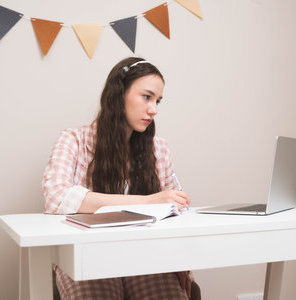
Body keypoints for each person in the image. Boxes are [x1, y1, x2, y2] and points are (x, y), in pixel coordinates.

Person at [42, 57, 193, 300]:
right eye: (147, 97)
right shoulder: (74, 141)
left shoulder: (159, 149)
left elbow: (175, 211)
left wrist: (181, 259)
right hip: (86, 256)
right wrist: (147, 201)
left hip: (147, 257)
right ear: (119, 94)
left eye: (157, 101)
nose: (153, 109)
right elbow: (57, 198)